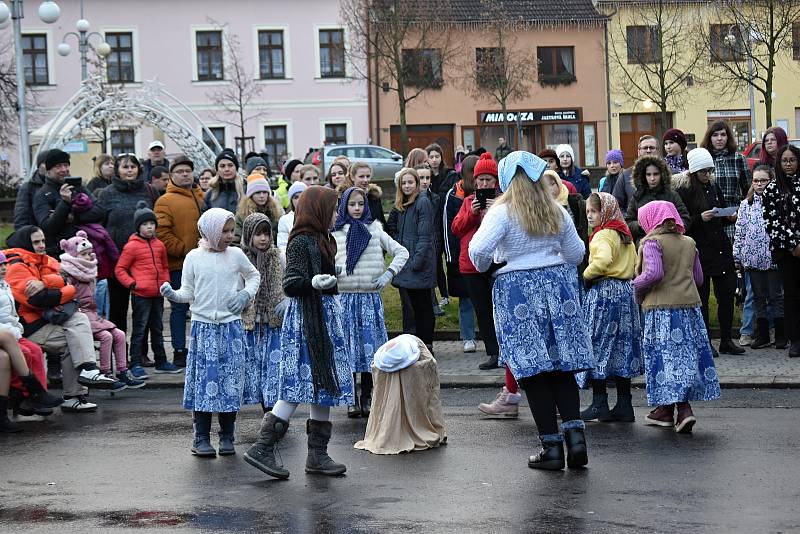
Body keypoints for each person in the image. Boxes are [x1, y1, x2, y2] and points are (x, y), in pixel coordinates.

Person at [469, 151, 594, 471]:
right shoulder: (556, 211)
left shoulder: (502, 213)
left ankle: (552, 449)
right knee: (562, 367)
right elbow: (577, 253)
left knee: (535, 370)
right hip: (557, 289)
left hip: (518, 294)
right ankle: (576, 440)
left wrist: (494, 265)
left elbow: (478, 252)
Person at [244, 186, 355, 479]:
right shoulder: (300, 241)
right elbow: (291, 284)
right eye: (332, 209)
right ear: (318, 211)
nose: (337, 215)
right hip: (307, 320)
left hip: (326, 316)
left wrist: (332, 280)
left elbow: (325, 282)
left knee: (324, 384)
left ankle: (318, 455)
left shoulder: (325, 239)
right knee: (300, 384)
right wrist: (314, 283)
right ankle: (262, 447)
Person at [160, 208, 259, 457]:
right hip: (204, 328)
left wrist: (246, 294)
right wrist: (173, 295)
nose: (229, 235)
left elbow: (254, 276)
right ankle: (201, 437)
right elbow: (187, 292)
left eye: (231, 231)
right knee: (204, 384)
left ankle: (227, 436)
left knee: (229, 382)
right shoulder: (193, 257)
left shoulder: (236, 255)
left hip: (231, 328)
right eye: (224, 231)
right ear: (210, 231)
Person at [5, 226, 116, 413]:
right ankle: (80, 384)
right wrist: (66, 290)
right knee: (75, 335)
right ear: (25, 243)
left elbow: (65, 282)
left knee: (78, 322)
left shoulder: (46, 260)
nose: (41, 245)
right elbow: (38, 299)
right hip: (30, 326)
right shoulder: (16, 265)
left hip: (50, 320)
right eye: (36, 242)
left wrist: (48, 284)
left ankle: (80, 386)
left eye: (42, 240)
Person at [633, 201, 721, 433]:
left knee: (666, 358)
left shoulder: (652, 243)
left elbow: (653, 273)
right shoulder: (690, 242)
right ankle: (664, 410)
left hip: (661, 309)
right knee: (684, 357)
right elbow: (699, 279)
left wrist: (636, 286)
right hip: (689, 309)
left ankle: (683, 409)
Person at [333, 186, 408, 418]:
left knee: (369, 350)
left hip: (368, 299)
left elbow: (402, 252)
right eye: (352, 204)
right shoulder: (336, 232)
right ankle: (350, 398)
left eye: (361, 204)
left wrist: (388, 274)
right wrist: (333, 272)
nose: (357, 209)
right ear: (344, 206)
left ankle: (367, 396)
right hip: (344, 299)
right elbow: (326, 258)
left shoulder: (375, 229)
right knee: (347, 350)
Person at [577, 193, 642, 423]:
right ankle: (625, 404)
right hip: (626, 293)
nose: (590, 216)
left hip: (604, 293)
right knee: (622, 347)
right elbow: (635, 264)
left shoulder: (602, 234)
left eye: (593, 211)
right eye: (587, 212)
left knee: (598, 345)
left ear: (604, 212)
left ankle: (599, 402)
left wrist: (585, 275)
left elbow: (602, 261)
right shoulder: (624, 234)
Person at [676, 148, 744, 356]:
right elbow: (682, 222)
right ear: (694, 171)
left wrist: (727, 217)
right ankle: (705, 341)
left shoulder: (714, 186)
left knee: (726, 295)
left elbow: (721, 210)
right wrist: (700, 218)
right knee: (703, 298)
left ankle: (726, 340)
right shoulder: (684, 191)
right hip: (700, 250)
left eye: (709, 171)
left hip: (720, 248)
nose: (707, 175)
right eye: (703, 171)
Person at [59, 232, 144, 391]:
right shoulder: (69, 274)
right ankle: (105, 374)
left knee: (119, 334)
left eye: (89, 253)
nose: (88, 257)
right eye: (83, 254)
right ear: (74, 255)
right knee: (105, 337)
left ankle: (122, 371)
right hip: (79, 316)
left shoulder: (89, 271)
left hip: (93, 315)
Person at [0, 251, 63, 430]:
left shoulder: (4, 285)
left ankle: (5, 413)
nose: (4, 268)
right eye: (0, 266)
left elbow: (10, 315)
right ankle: (30, 392)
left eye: (5, 264)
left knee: (17, 354)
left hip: (8, 331)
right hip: (5, 333)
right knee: (15, 344)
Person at [452, 153, 502, 371]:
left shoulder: (502, 202)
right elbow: (456, 229)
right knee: (482, 310)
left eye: (488, 180)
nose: (483, 184)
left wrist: (494, 209)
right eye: (480, 180)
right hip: (471, 265)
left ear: (495, 182)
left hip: (497, 264)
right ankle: (493, 353)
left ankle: (505, 351)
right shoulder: (466, 203)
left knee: (499, 309)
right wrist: (471, 214)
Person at [154, 155, 205, 371]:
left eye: (188, 171)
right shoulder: (165, 201)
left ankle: (201, 348)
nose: (185, 174)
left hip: (205, 261)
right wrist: (185, 250)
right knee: (178, 308)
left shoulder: (201, 196)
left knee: (203, 307)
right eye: (180, 171)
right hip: (180, 264)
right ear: (172, 175)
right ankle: (179, 351)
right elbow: (162, 233)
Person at [96, 154, 157, 332]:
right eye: (125, 167)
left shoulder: (149, 190)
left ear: (139, 169)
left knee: (143, 309)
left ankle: (141, 353)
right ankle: (121, 352)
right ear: (117, 171)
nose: (129, 170)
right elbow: (100, 224)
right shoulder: (107, 193)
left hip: (144, 259)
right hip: (117, 259)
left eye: (133, 166)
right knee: (118, 308)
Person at [115, 202, 176, 379]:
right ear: (138, 227)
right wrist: (132, 284)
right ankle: (135, 363)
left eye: (152, 224)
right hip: (141, 295)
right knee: (139, 330)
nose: (149, 227)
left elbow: (164, 266)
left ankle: (161, 361)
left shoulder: (159, 245)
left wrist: (165, 283)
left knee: (158, 329)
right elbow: (120, 269)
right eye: (145, 224)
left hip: (158, 294)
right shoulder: (131, 246)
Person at [733, 165, 786, 350]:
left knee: (776, 297)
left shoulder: (778, 201)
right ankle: (762, 334)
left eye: (764, 180)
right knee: (758, 297)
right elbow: (740, 231)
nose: (760, 184)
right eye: (756, 180)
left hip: (773, 259)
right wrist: (737, 255)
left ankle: (780, 334)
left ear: (771, 181)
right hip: (752, 259)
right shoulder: (746, 204)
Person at [240, 214, 285, 411]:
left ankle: (273, 412)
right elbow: (237, 288)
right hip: (251, 324)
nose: (263, 238)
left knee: (274, 370)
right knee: (256, 370)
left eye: (267, 233)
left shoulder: (279, 256)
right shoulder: (241, 259)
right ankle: (265, 410)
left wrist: (287, 301)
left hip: (274, 323)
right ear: (249, 235)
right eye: (258, 234)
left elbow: (288, 282)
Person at [389, 168, 437, 352]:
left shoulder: (422, 202)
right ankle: (414, 344)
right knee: (411, 308)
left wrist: (416, 261)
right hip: (406, 262)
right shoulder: (403, 204)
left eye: (410, 182)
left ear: (417, 184)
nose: (407, 185)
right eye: (404, 183)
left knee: (423, 306)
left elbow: (424, 237)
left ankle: (426, 344)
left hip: (419, 263)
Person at [762, 144, 800, 357]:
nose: (788, 164)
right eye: (784, 160)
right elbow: (772, 222)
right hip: (786, 251)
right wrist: (794, 244)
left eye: (792, 160)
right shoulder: (772, 189)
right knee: (791, 294)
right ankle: (795, 339)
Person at [32, 149, 106, 257]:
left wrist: (74, 216)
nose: (63, 169)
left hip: (84, 251)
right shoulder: (41, 194)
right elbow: (47, 227)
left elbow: (100, 211)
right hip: (59, 253)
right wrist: (65, 203)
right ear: (48, 171)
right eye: (58, 166)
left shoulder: (78, 187)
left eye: (66, 165)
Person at [442, 155, 478, 354]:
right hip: (462, 255)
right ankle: (468, 337)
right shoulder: (454, 195)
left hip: (484, 255)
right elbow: (449, 227)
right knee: (466, 299)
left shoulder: (489, 193)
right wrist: (450, 256)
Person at [700, 121, 751, 242]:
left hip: (734, 213)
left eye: (723, 134)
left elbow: (748, 190)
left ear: (728, 137)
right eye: (715, 135)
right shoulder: (704, 159)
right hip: (710, 212)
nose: (719, 138)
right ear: (709, 138)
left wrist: (741, 211)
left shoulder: (739, 159)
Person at [625, 155, 691, 243]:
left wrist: (671, 226)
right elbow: (628, 222)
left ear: (662, 174)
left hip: (669, 243)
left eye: (656, 174)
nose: (652, 178)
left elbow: (685, 219)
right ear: (643, 176)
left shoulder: (672, 195)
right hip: (644, 244)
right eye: (648, 174)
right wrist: (641, 225)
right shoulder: (638, 196)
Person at [543, 171, 589, 279]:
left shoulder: (575, 202)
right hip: (555, 260)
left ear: (559, 184)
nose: (549, 189)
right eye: (545, 186)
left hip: (577, 253)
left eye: (552, 184)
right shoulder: (541, 208)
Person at [613, 135, 661, 212]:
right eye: (645, 148)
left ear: (658, 151)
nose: (648, 151)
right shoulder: (626, 175)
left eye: (651, 148)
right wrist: (630, 221)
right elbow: (616, 205)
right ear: (639, 151)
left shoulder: (669, 174)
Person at [234, 175, 283, 246]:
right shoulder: (242, 214)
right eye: (258, 192)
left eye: (264, 192)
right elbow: (235, 239)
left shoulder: (276, 213)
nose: (262, 196)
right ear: (251, 195)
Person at [13, 150, 51, 230]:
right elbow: (21, 216)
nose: (50, 166)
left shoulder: (66, 185)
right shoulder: (28, 187)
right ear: (39, 166)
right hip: (37, 235)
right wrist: (25, 236)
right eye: (46, 163)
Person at [343, 162, 386, 227]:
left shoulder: (374, 196)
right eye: (361, 176)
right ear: (352, 177)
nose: (365, 180)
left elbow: (381, 221)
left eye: (368, 176)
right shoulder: (346, 198)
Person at [278, 182, 307, 258]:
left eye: (303, 196)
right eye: (296, 197)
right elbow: (282, 247)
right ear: (291, 201)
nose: (300, 200)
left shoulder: (317, 216)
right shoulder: (284, 220)